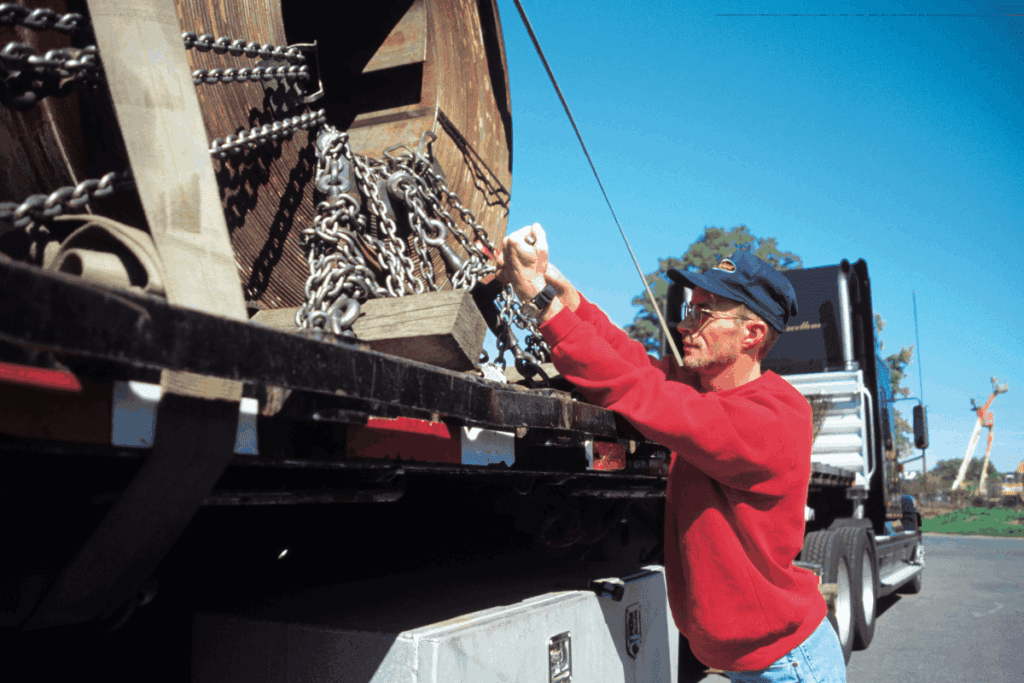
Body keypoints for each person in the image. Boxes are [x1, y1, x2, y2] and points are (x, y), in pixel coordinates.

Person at [497, 223, 846, 683]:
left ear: (751, 334)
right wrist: (569, 298)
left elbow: (641, 392)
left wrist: (544, 307)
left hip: (786, 668)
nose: (685, 324)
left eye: (704, 313)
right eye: (689, 308)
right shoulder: (709, 393)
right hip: (754, 663)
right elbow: (635, 363)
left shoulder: (773, 418)